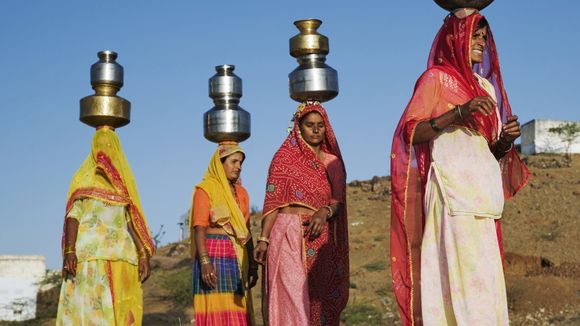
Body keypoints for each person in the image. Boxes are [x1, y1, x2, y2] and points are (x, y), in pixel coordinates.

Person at [390, 9, 531, 325]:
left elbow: (490, 151)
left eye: (483, 36)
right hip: (452, 197)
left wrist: (505, 142)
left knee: (486, 286)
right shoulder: (436, 79)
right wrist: (458, 113)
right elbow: (411, 132)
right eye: (474, 35)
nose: (480, 42)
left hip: (482, 198)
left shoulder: (486, 88)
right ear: (455, 37)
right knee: (459, 285)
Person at [254, 103, 349, 326]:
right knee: (292, 298)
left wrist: (324, 212)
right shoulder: (283, 159)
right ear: (298, 127)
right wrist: (263, 239)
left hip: (317, 235)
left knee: (317, 301)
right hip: (284, 235)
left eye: (320, 126)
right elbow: (273, 202)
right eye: (309, 125)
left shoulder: (332, 162)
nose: (316, 130)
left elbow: (339, 202)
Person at [56, 126, 154, 326]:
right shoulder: (83, 179)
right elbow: (73, 216)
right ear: (93, 148)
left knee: (123, 311)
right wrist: (69, 250)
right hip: (90, 258)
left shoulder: (123, 184)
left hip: (123, 256)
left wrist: (143, 253)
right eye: (100, 146)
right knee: (92, 312)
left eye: (109, 146)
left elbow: (131, 220)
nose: (104, 151)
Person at [190, 142, 258, 325]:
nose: (238, 167)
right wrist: (205, 261)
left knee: (237, 309)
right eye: (234, 162)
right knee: (215, 307)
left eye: (241, 163)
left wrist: (252, 265)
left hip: (237, 256)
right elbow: (199, 227)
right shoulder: (205, 189)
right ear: (220, 164)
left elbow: (246, 230)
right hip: (213, 253)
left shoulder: (242, 193)